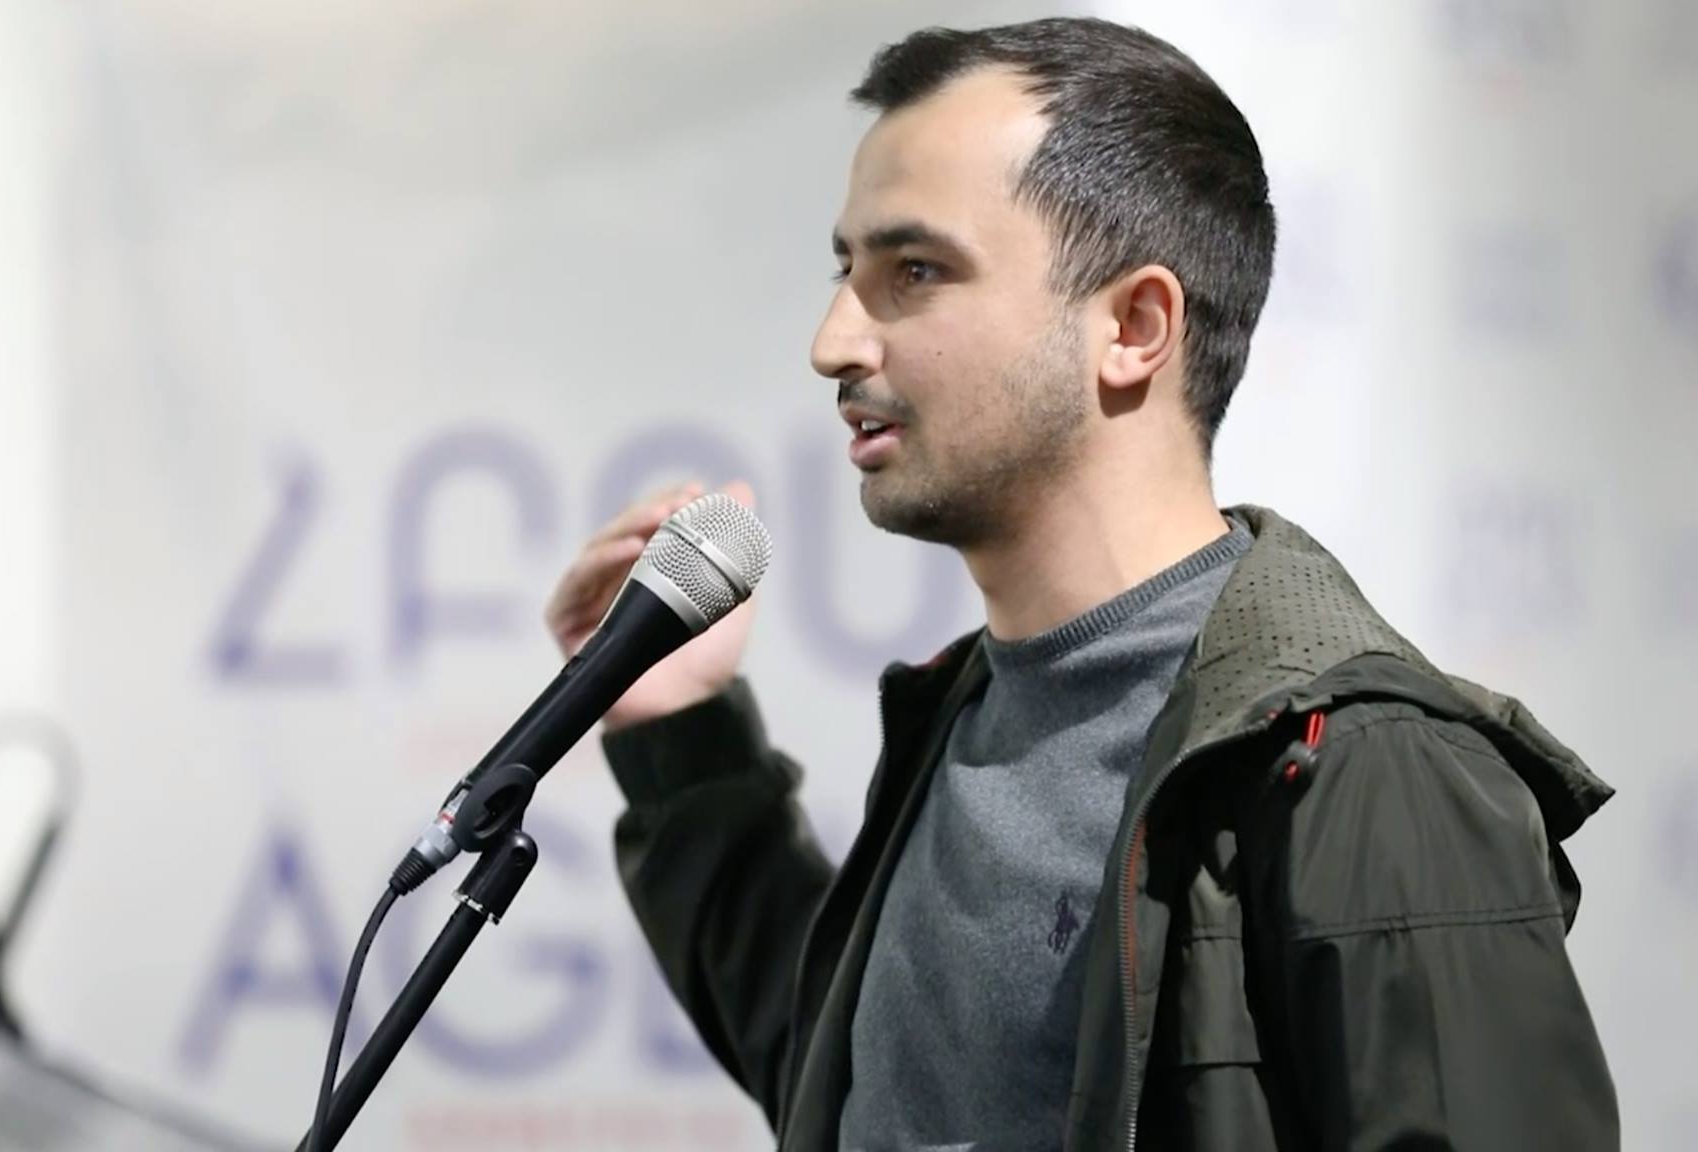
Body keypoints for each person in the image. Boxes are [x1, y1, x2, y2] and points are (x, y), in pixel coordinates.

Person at [543, 16, 1618, 1151]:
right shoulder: (970, 713)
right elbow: (869, 1095)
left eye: (914, 272)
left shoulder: (1364, 767)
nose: (834, 342)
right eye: (844, 273)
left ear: (1134, 326)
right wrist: (680, 733)